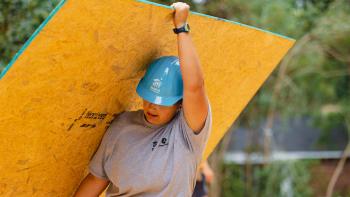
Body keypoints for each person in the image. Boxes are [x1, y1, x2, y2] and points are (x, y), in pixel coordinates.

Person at [74, 2, 212, 196]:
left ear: (180, 103)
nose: (152, 106)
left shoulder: (187, 133)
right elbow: (96, 179)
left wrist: (181, 28)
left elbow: (195, 86)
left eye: (162, 102)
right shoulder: (122, 126)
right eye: (148, 98)